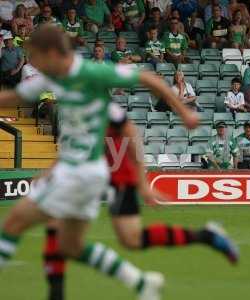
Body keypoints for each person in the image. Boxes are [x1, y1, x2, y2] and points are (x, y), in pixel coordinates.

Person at [0, 25, 199, 300]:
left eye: (35, 56)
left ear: (53, 53)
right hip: (87, 173)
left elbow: (148, 78)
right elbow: (16, 97)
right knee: (71, 246)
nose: (32, 62)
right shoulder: (53, 77)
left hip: (78, 173)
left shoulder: (92, 72)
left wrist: (184, 113)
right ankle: (141, 282)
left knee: (13, 223)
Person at [43, 103, 239, 300]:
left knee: (123, 239)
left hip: (115, 177)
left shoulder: (98, 101)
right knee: (70, 234)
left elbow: (129, 131)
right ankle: (204, 238)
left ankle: (204, 238)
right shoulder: (74, 98)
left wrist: (142, 182)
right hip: (92, 174)